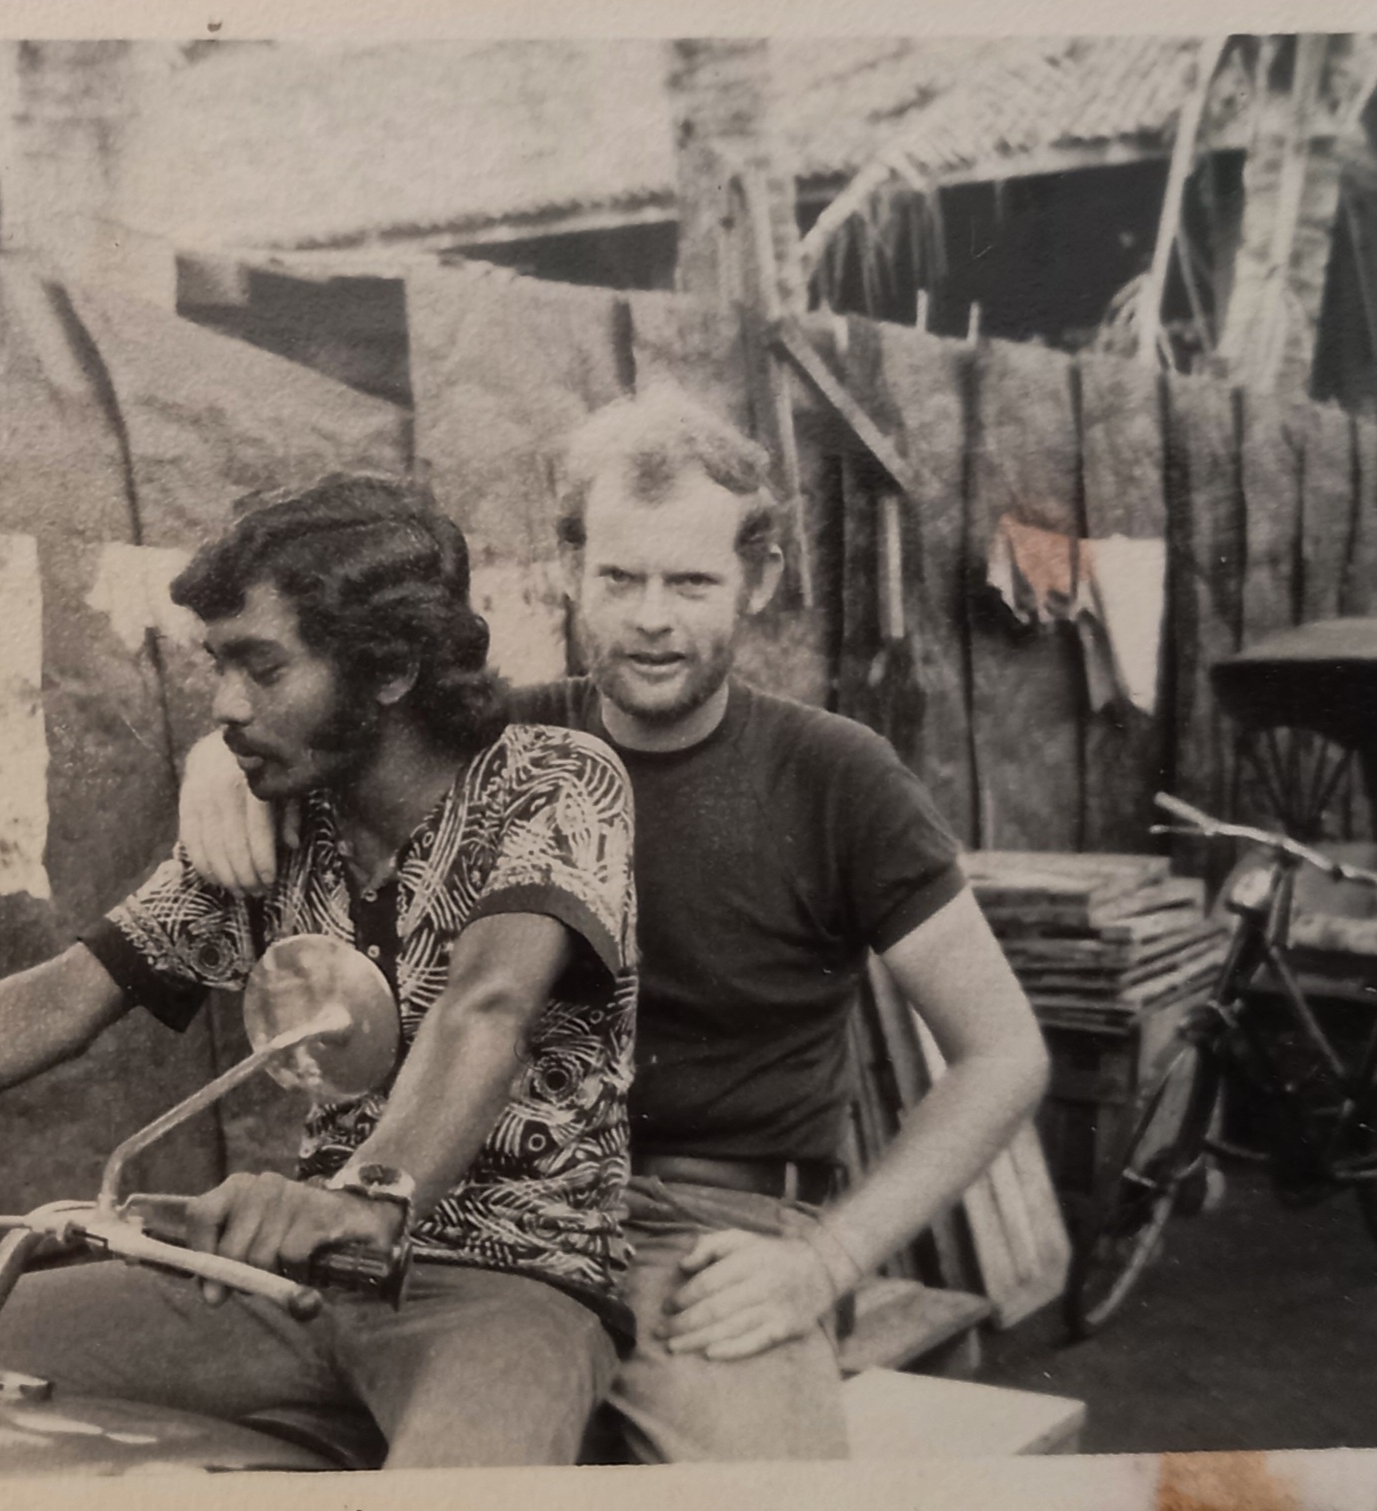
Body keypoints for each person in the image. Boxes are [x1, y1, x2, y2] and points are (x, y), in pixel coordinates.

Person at [0, 474, 639, 1469]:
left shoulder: (553, 780)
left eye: (263, 667)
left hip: (506, 1283)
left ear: (390, 668)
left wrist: (368, 1197)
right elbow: (70, 990)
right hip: (293, 1283)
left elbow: (488, 1004)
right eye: (218, 664)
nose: (224, 705)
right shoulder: (282, 823)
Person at [178, 386, 1051, 1462]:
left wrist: (828, 1260)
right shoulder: (490, 745)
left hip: (707, 1238)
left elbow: (1002, 1052)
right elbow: (323, 721)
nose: (651, 618)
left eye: (692, 581)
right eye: (620, 578)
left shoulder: (837, 778)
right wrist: (214, 762)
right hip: (476, 1205)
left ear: (760, 579)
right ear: (569, 569)